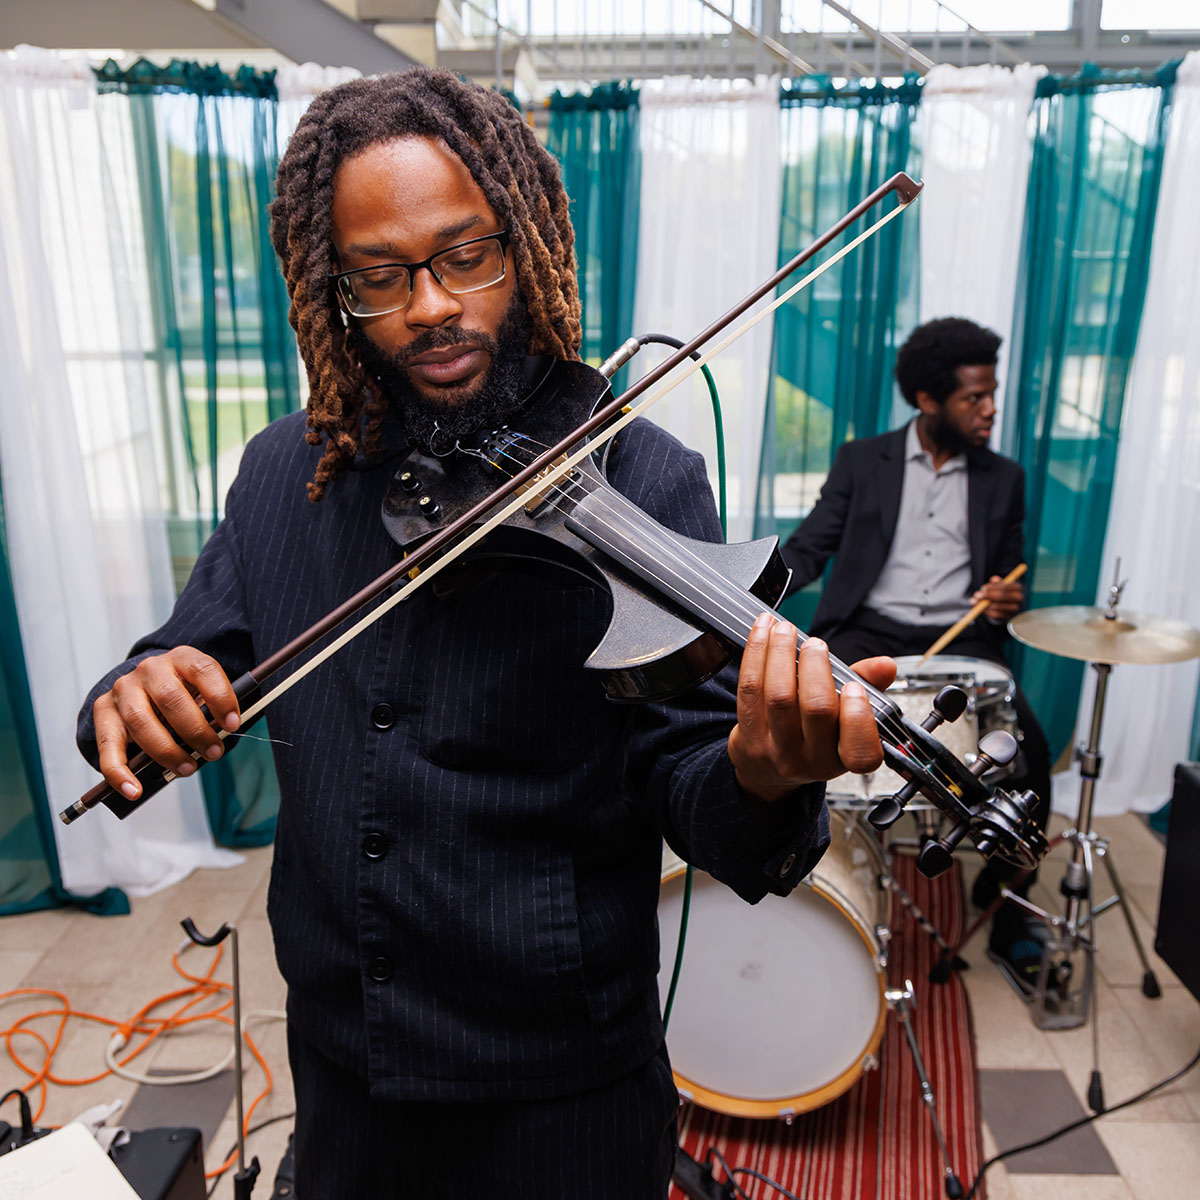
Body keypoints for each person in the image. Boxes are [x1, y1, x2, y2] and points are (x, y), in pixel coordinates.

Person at [75, 70, 895, 1198]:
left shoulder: (643, 478)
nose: (431, 305)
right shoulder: (285, 475)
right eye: (380, 277)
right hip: (343, 1061)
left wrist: (762, 769)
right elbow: (193, 650)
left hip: (558, 1086)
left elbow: (697, 788)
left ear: (528, 241)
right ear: (335, 291)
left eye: (467, 256)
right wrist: (135, 689)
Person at [779, 316, 1053, 982]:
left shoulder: (1004, 478)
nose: (990, 410)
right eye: (974, 398)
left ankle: (1003, 904)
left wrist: (1007, 593)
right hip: (870, 628)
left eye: (992, 394)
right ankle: (800, 881)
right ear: (928, 402)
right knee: (801, 724)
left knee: (1032, 758)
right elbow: (811, 547)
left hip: (964, 636)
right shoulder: (860, 461)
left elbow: (1011, 569)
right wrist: (745, 595)